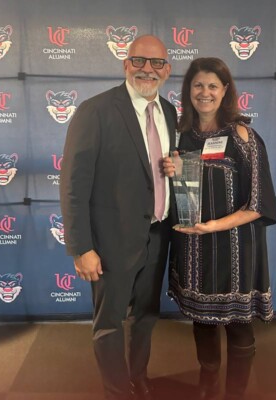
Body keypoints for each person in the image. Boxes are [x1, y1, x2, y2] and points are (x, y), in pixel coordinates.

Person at [60, 35, 177, 400]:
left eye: (156, 63)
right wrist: (82, 248)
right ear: (126, 64)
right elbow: (73, 184)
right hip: (110, 243)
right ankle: (116, 390)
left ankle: (138, 377)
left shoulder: (170, 112)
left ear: (167, 70)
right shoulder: (95, 111)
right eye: (139, 61)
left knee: (145, 317)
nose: (148, 69)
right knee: (109, 323)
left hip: (158, 235)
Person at [163, 57, 276, 400]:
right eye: (198, 85)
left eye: (213, 85)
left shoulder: (242, 135)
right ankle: (207, 385)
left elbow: (258, 203)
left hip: (235, 247)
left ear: (225, 91)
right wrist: (171, 171)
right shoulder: (179, 136)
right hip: (194, 248)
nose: (205, 92)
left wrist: (214, 226)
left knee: (239, 327)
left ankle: (235, 393)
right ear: (188, 91)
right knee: (202, 322)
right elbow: (167, 197)